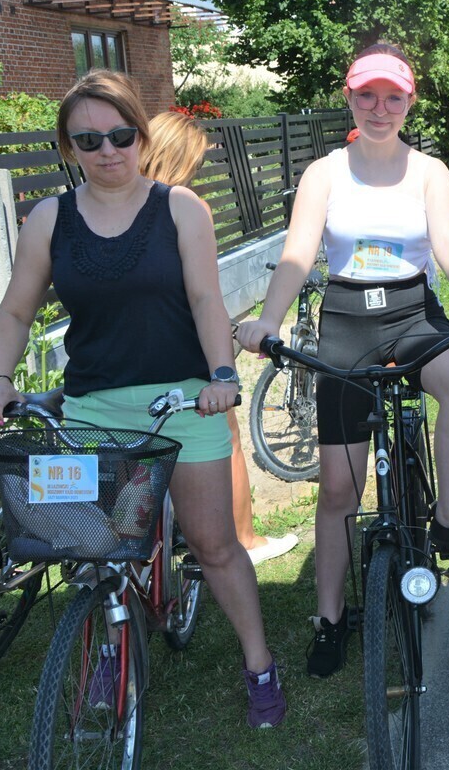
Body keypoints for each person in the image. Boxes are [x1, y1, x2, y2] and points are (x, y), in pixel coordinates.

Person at [0, 70, 286, 728]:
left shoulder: (179, 209)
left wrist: (222, 376)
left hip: (184, 402)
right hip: (93, 411)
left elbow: (205, 299)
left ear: (140, 134)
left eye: (120, 134)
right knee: (95, 549)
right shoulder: (49, 220)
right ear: (68, 147)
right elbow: (15, 313)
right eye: (88, 140)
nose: (107, 150)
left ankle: (258, 662)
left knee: (213, 544)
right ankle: (112, 650)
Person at [236, 44, 449, 680]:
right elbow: (299, 254)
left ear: (409, 101)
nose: (380, 108)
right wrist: (270, 321)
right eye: (368, 95)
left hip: (412, 313)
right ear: (350, 99)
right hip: (346, 319)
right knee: (338, 488)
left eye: (393, 96)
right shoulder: (326, 172)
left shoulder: (429, 171)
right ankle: (330, 617)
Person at [140, 110, 299, 566]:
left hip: (130, 350)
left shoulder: (119, 204)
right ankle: (245, 539)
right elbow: (203, 293)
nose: (200, 170)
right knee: (223, 438)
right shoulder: (184, 204)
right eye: (197, 161)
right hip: (184, 341)